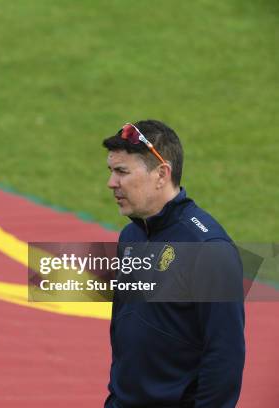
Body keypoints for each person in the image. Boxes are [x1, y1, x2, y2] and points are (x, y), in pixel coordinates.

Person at [102, 120, 245, 407]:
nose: (111, 183)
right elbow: (125, 333)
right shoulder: (131, 235)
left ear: (161, 174)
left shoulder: (208, 248)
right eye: (111, 171)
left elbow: (225, 357)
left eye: (122, 172)